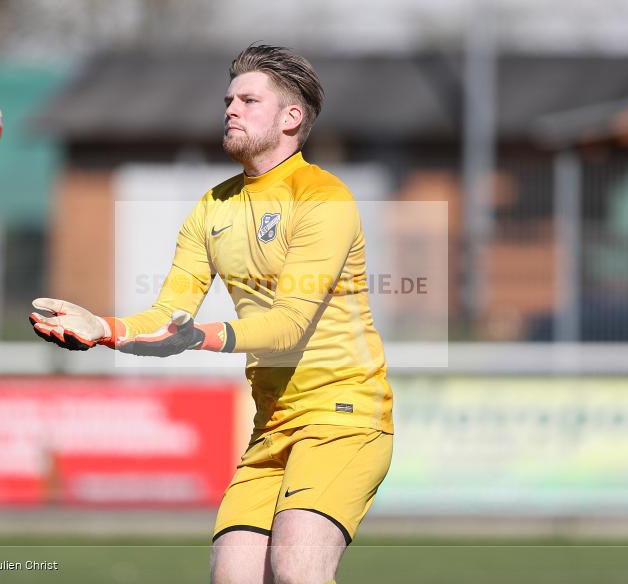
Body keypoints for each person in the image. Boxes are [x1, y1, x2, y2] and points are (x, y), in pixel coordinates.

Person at [30, 44, 393, 584]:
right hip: (272, 427)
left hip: (343, 416)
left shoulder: (323, 198)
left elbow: (288, 325)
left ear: (291, 118)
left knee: (297, 570)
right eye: (229, 99)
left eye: (249, 100)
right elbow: (167, 314)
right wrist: (102, 329)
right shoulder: (213, 207)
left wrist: (194, 337)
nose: (230, 109)